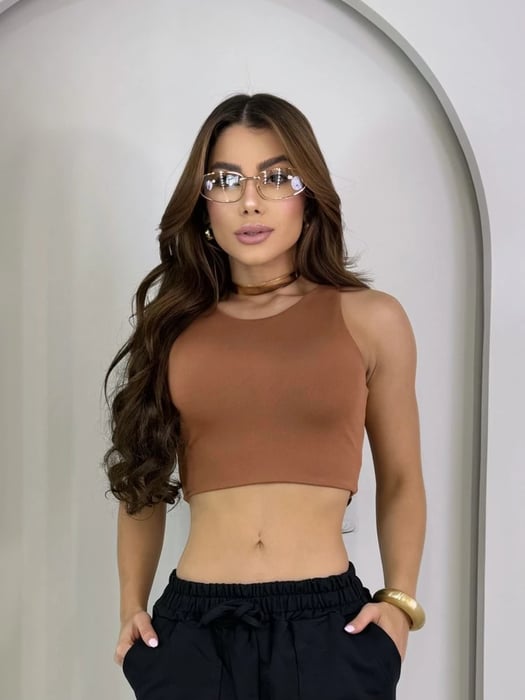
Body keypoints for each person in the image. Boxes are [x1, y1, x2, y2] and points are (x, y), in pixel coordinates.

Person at [103, 93, 426, 700]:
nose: (250, 201)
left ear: (310, 193)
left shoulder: (371, 319)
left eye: (276, 178)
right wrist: (130, 608)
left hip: (330, 629)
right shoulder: (170, 328)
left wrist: (400, 605)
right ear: (202, 201)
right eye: (225, 180)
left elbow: (403, 477)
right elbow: (141, 483)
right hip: (192, 630)